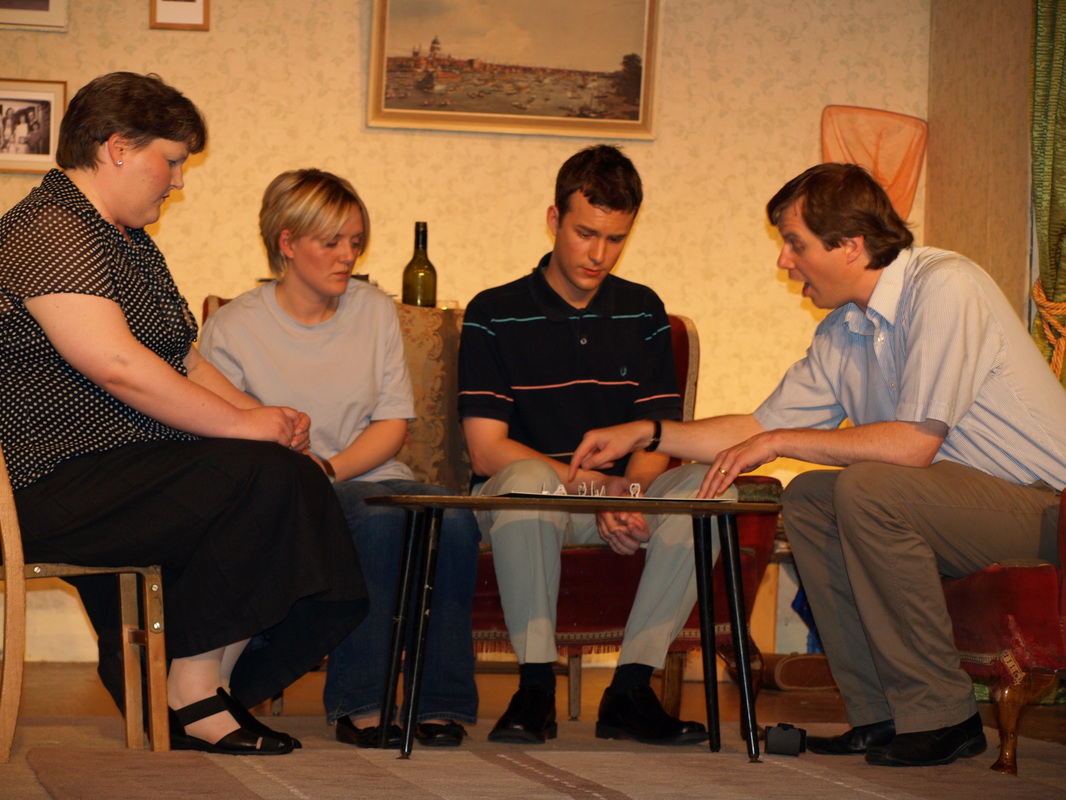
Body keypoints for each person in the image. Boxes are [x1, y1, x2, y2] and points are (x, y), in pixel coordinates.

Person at [570, 162, 1066, 767]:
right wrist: (647, 431)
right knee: (809, 497)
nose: (783, 260)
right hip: (958, 505)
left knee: (868, 489)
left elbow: (913, 445)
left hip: (1047, 508)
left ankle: (943, 716)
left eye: (795, 243)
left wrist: (779, 441)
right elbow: (756, 429)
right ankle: (880, 714)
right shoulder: (844, 330)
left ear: (850, 245)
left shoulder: (945, 286)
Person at [0, 72, 367, 756]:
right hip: (48, 482)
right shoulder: (50, 229)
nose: (176, 183)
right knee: (259, 475)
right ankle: (192, 692)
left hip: (117, 469)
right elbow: (116, 363)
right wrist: (246, 428)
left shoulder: (125, 239)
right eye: (170, 162)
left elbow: (183, 359)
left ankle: (207, 687)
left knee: (284, 470)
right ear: (116, 148)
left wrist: (267, 418)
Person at [458, 144, 730, 747]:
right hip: (523, 504)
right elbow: (486, 451)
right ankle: (534, 689)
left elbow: (656, 434)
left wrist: (629, 496)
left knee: (713, 487)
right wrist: (599, 489)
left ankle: (630, 691)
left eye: (615, 239)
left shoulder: (644, 311)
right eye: (586, 234)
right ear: (554, 220)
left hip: (620, 497)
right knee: (528, 482)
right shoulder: (493, 312)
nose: (599, 255)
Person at [199, 168, 480, 749]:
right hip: (288, 492)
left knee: (453, 516)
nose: (348, 255)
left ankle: (439, 703)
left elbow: (393, 424)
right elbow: (224, 434)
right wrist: (310, 478)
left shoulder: (374, 310)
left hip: (365, 474)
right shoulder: (234, 327)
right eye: (331, 242)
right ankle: (364, 705)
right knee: (378, 520)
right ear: (287, 242)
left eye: (355, 241)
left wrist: (329, 470)